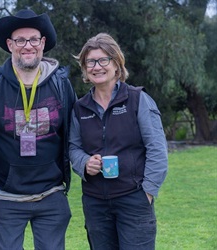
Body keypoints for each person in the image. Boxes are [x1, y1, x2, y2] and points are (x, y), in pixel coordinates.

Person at [0, 9, 76, 250]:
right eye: (20, 40)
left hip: (51, 195)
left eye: (33, 39)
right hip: (6, 198)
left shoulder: (61, 84)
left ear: (43, 43)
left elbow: (76, 133)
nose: (27, 46)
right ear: (9, 44)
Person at [69, 33, 168, 250]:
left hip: (134, 199)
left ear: (116, 64)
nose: (97, 66)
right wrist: (85, 163)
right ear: (85, 68)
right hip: (95, 204)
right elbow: (73, 147)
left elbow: (157, 149)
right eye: (90, 62)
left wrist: (148, 193)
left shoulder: (137, 99)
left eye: (103, 60)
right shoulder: (79, 107)